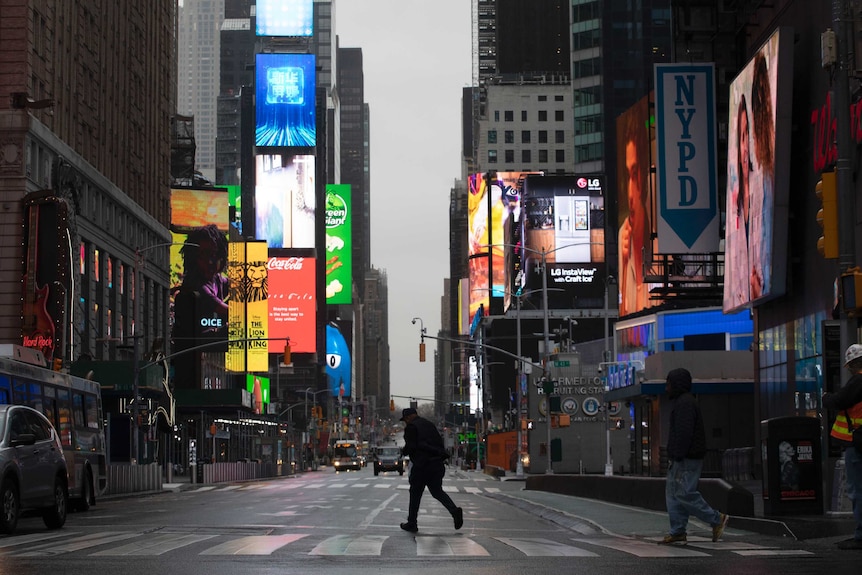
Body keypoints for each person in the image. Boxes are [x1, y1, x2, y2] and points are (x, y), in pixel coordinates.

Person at [660, 368, 729, 544]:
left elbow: (684, 432)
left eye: (668, 384)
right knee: (675, 494)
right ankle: (677, 531)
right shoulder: (685, 402)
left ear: (676, 384)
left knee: (684, 493)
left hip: (686, 458)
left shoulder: (685, 403)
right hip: (683, 457)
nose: (666, 388)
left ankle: (716, 519)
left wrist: (678, 454)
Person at [822, 343, 862, 550]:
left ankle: (860, 536)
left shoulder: (859, 381)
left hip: (858, 443)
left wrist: (826, 398)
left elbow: (840, 400)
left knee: (858, 491)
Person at [399, 407, 463, 533]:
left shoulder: (412, 428)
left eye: (405, 419)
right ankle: (454, 511)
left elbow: (411, 446)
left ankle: (412, 522)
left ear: (409, 417)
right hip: (437, 464)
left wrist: (404, 452)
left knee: (415, 493)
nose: (405, 422)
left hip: (422, 465)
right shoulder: (429, 425)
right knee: (437, 491)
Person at [618, 107, 651, 316]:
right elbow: (621, 318)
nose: (630, 191)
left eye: (636, 173)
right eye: (628, 174)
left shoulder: (666, 243)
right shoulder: (622, 237)